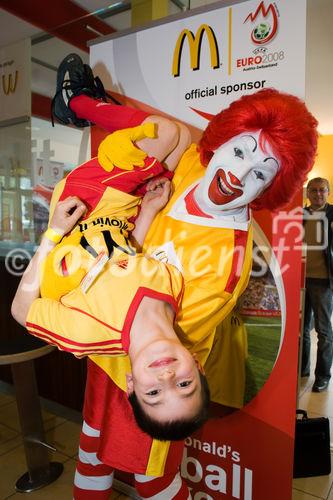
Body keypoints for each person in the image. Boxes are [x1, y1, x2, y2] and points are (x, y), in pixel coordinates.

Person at [18, 53, 319, 499]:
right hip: (112, 332)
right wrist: (101, 216)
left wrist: (148, 382)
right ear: (222, 144)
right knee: (91, 455)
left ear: (267, 189)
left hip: (130, 364)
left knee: (153, 476)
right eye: (239, 152)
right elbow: (132, 270)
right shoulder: (196, 163)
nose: (238, 175)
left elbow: (164, 346)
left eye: (259, 173)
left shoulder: (225, 267)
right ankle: (78, 103)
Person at [302, 177, 333, 392]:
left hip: (324, 282)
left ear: (328, 192)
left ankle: (322, 375)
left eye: (322, 190)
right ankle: (302, 369)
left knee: (323, 331)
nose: (317, 194)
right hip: (300, 282)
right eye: (313, 190)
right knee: (301, 330)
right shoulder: (298, 215)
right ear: (307, 193)